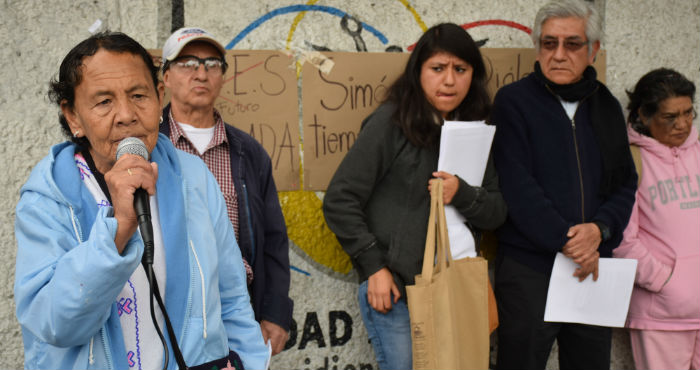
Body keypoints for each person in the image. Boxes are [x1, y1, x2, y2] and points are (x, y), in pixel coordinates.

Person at [14, 31, 268, 370]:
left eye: (138, 95)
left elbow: (232, 297)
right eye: (103, 101)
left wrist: (249, 363)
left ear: (159, 96)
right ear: (73, 116)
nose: (126, 115)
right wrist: (118, 229)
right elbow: (53, 323)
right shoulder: (49, 197)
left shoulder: (192, 176)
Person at [323, 23, 507, 370]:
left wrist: (462, 193)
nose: (449, 81)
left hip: (455, 292)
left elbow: (496, 212)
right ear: (418, 71)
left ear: (473, 75)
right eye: (438, 69)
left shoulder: (475, 131)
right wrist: (374, 267)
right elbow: (339, 199)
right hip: (396, 291)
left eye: (460, 70)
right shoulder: (392, 122)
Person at [491, 1, 638, 369]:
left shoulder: (604, 104)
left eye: (572, 44)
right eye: (548, 43)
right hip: (530, 269)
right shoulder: (513, 102)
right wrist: (570, 240)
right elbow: (516, 184)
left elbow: (625, 182)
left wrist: (599, 230)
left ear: (593, 50)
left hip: (592, 268)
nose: (558, 54)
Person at [159, 27, 292, 355]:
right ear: (165, 77)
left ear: (223, 77)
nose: (201, 73)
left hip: (237, 309)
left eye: (212, 63)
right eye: (188, 63)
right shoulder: (150, 146)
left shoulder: (248, 152)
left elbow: (274, 238)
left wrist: (275, 313)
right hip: (167, 307)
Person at [613, 68, 700, 370]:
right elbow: (622, 241)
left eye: (689, 113)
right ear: (644, 116)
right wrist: (665, 281)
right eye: (670, 117)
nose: (683, 124)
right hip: (661, 314)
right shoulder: (631, 161)